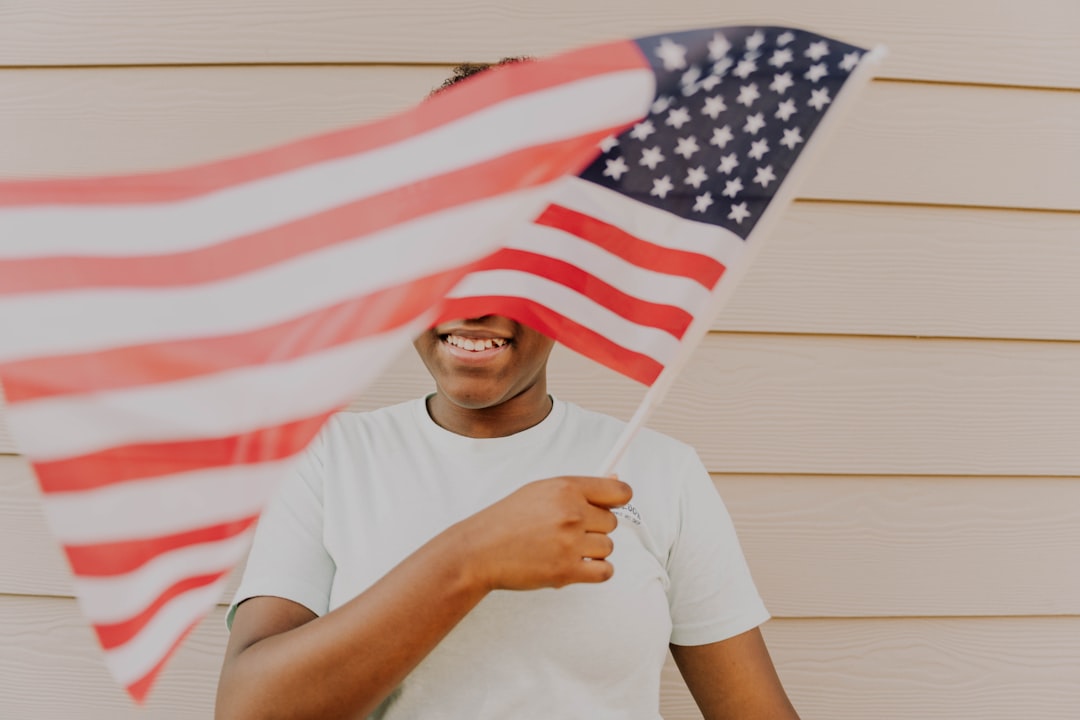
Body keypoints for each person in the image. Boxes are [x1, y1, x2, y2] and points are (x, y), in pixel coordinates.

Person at [216, 64, 800, 720]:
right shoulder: (332, 460)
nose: (478, 300)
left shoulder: (661, 473)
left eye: (518, 255)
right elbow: (249, 709)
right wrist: (475, 555)